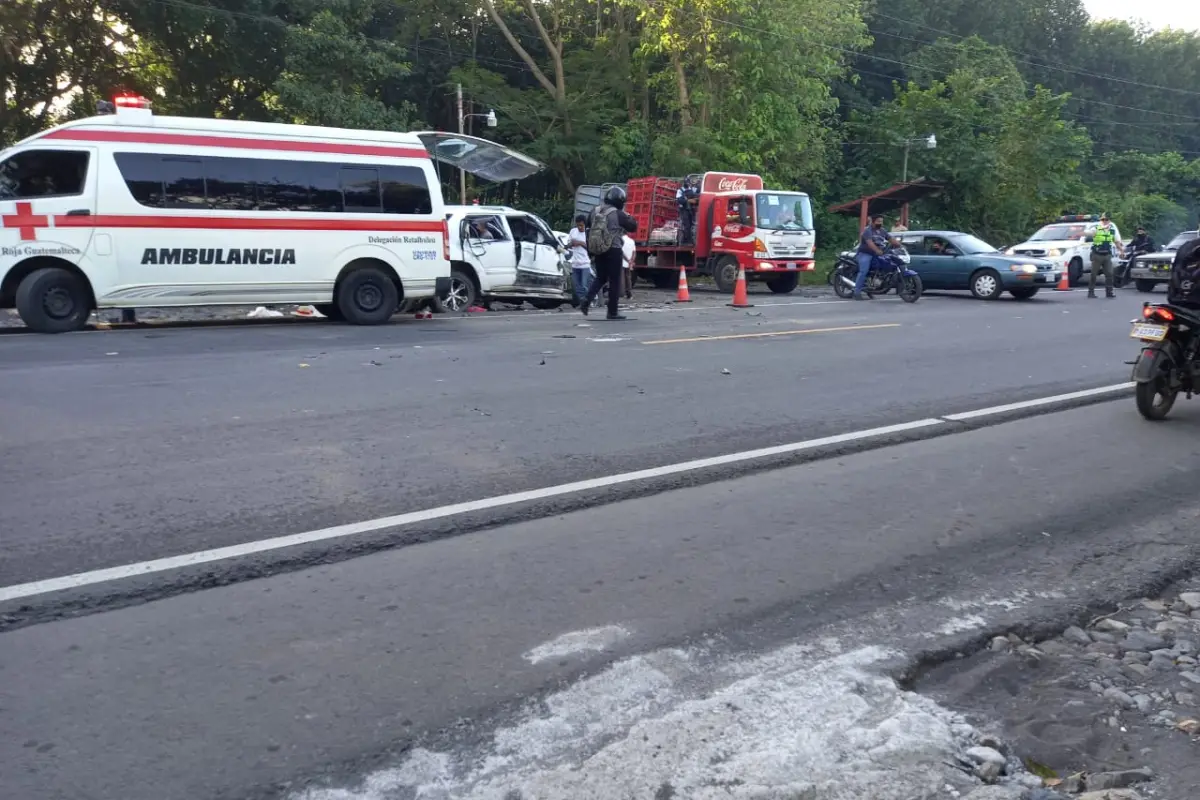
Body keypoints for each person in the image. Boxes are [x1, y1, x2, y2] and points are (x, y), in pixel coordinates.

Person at [582, 185, 638, 320]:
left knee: (600, 277)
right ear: (620, 201)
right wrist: (629, 215)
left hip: (599, 249)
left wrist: (590, 250)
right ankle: (612, 312)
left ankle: (586, 301)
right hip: (614, 250)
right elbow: (633, 227)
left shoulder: (594, 211)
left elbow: (588, 229)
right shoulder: (618, 214)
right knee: (614, 281)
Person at [1088, 213, 1123, 298]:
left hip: (1107, 255)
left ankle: (1109, 292)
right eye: (1103, 219)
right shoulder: (1096, 228)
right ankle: (1091, 292)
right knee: (1093, 274)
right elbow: (1089, 233)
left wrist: (1121, 251)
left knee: (1109, 274)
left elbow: (1117, 241)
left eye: (1106, 219)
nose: (1104, 221)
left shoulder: (1112, 230)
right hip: (1097, 255)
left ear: (1109, 221)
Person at [854, 215, 888, 300]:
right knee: (863, 271)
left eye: (881, 221)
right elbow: (870, 243)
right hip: (865, 253)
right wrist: (877, 250)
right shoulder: (867, 230)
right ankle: (856, 292)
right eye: (878, 221)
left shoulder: (882, 231)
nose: (880, 223)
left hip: (876, 254)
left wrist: (900, 245)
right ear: (873, 222)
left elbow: (891, 239)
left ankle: (870, 289)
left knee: (878, 270)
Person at [567, 214, 592, 306]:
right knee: (577, 286)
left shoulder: (588, 233)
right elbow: (568, 244)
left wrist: (580, 243)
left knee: (584, 285)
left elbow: (591, 247)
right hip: (575, 263)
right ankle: (582, 302)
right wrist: (572, 243)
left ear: (585, 224)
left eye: (581, 225)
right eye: (578, 225)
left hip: (585, 264)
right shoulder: (573, 231)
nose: (579, 227)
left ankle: (587, 301)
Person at [621, 230, 635, 299]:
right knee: (628, 278)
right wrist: (631, 261)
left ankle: (621, 293)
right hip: (628, 264)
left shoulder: (620, 240)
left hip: (621, 262)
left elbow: (621, 252)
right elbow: (634, 253)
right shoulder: (631, 241)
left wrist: (627, 260)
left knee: (621, 278)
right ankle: (629, 294)